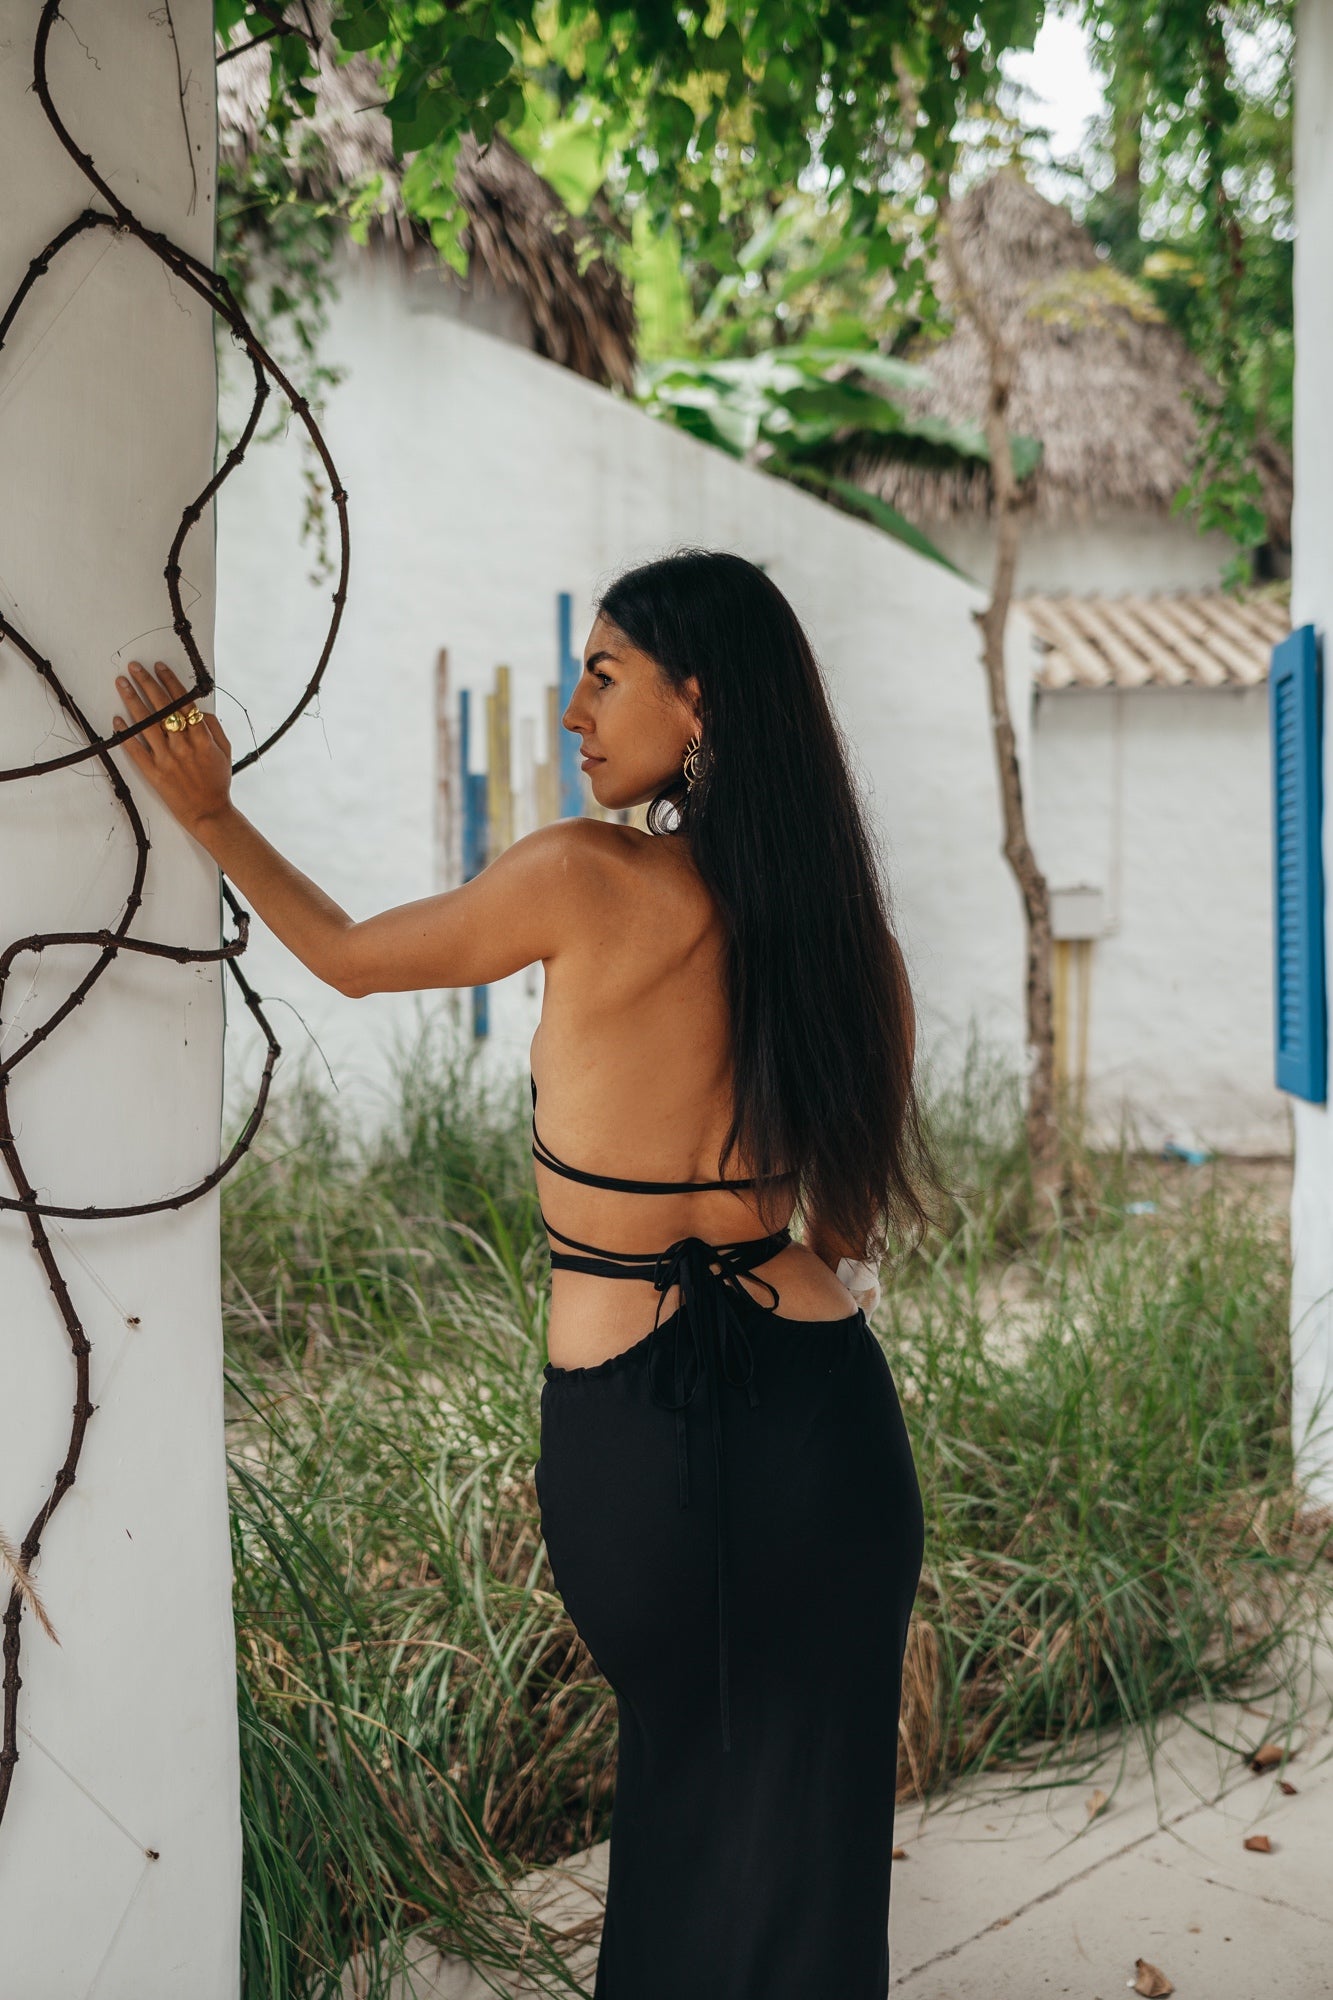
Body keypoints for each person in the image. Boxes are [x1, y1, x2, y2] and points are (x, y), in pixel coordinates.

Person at [111, 546, 935, 2000]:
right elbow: (850, 1232)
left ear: (701, 702)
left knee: (683, 1777)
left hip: (633, 1418)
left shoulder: (580, 877)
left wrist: (214, 815)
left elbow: (356, 960)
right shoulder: (851, 944)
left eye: (603, 674)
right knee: (812, 1824)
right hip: (823, 1416)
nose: (572, 710)